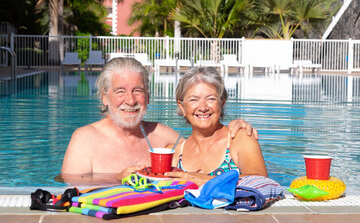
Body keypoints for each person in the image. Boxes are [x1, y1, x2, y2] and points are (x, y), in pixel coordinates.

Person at [60, 58, 257, 185]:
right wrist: (115, 178)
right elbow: (67, 185)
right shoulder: (85, 139)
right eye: (120, 91)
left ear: (148, 96)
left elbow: (204, 143)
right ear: (104, 97)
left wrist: (237, 126)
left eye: (138, 91)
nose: (130, 100)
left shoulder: (162, 137)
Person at [164, 67, 267, 186]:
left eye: (211, 99)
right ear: (182, 106)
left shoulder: (239, 139)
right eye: (194, 100)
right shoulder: (173, 153)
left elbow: (261, 181)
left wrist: (200, 180)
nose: (203, 107)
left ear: (221, 103)